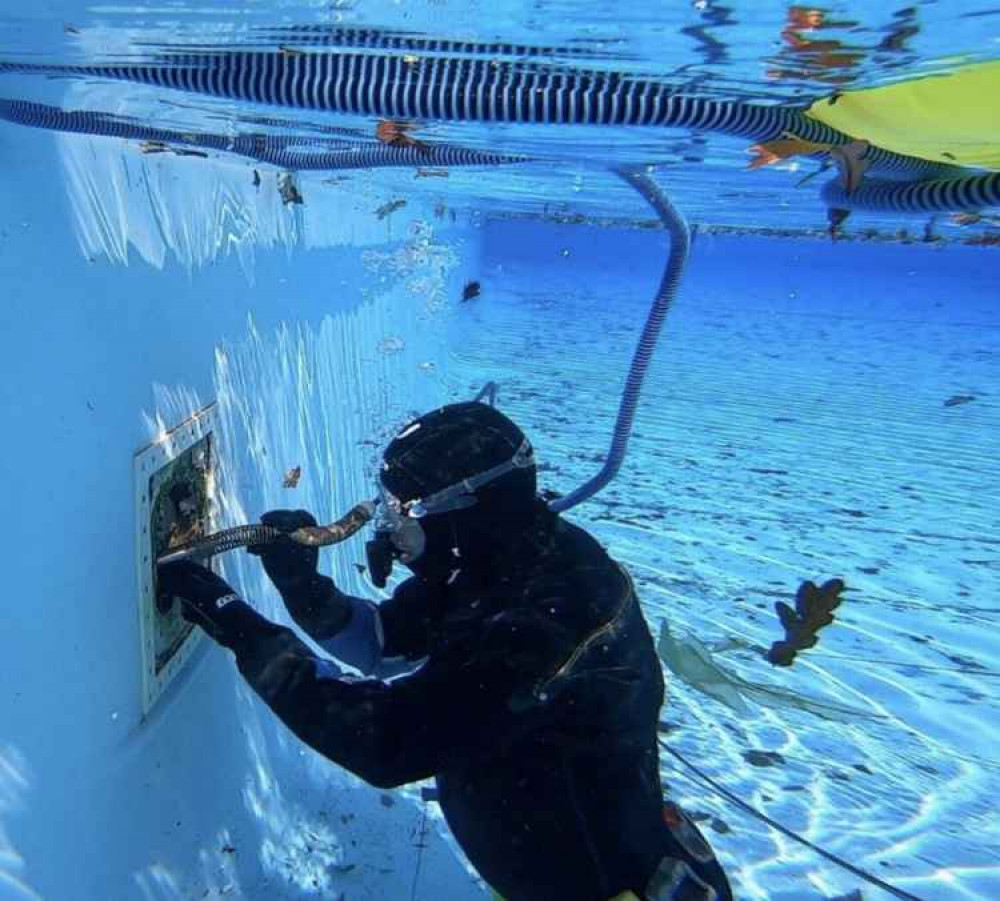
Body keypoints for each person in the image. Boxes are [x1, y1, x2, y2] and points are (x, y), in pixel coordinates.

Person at [159, 401, 733, 901]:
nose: (388, 529)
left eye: (405, 512)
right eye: (387, 504)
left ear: (467, 514)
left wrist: (236, 623)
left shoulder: (546, 621)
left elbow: (386, 739)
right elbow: (382, 646)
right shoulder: (497, 562)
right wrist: (302, 588)